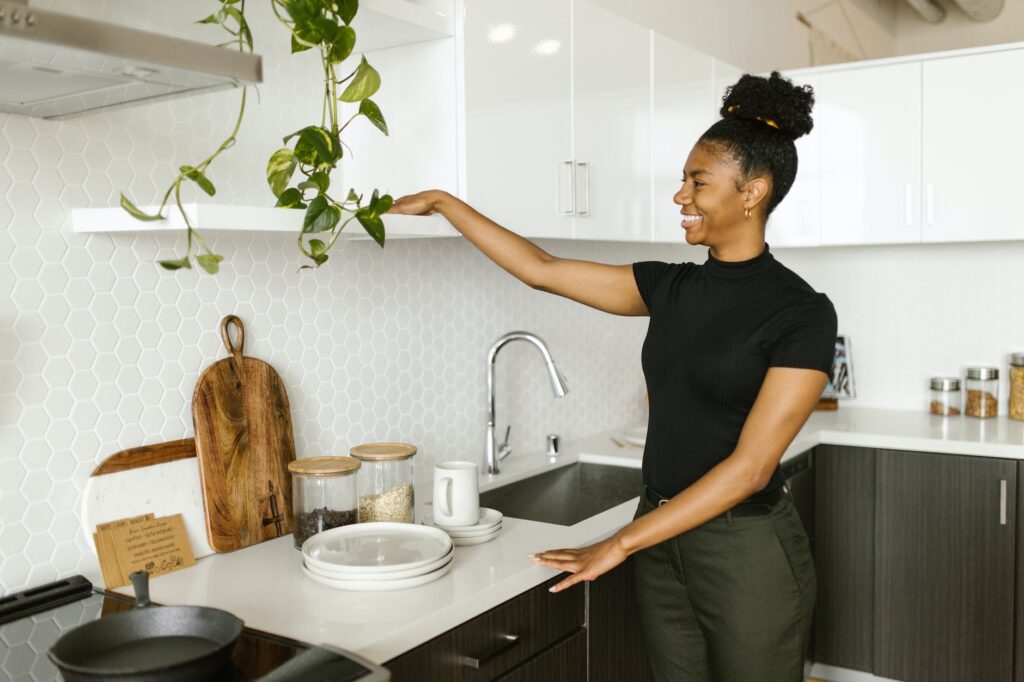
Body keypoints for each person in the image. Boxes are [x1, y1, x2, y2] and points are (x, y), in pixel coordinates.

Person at [388, 71, 836, 682]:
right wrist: (445, 202)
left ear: (753, 191)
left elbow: (752, 467)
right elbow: (541, 269)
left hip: (744, 551)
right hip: (659, 533)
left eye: (697, 182)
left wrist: (622, 542)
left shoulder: (802, 312)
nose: (681, 196)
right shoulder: (669, 286)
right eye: (683, 180)